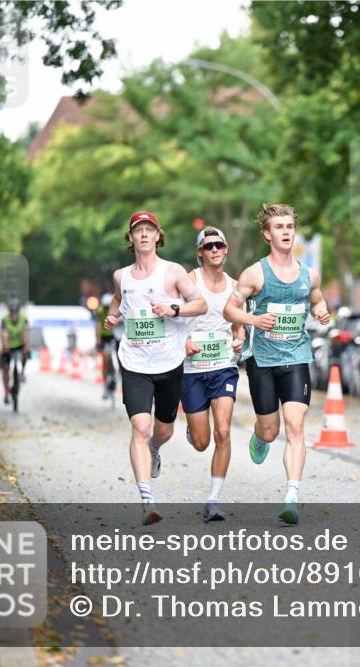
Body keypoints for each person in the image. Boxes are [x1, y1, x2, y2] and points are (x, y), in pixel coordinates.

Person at [224, 204, 330, 526]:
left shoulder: (308, 274)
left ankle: (292, 496)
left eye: (290, 226)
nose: (286, 232)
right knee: (271, 431)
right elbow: (230, 310)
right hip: (263, 361)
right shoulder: (255, 274)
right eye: (279, 227)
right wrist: (254, 319)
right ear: (267, 234)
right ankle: (260, 436)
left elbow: (317, 299)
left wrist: (322, 312)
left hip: (297, 356)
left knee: (296, 426)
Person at [103, 211, 207, 526]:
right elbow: (118, 301)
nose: (144, 235)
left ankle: (155, 450)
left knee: (162, 431)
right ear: (131, 238)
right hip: (134, 362)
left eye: (150, 230)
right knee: (140, 427)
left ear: (158, 236)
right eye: (138, 231)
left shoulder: (174, 272)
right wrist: (112, 317)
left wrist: (173, 308)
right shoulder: (121, 276)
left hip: (170, 362)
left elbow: (200, 304)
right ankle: (147, 500)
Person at [181, 227, 244, 522]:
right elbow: (172, 320)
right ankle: (193, 431)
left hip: (224, 367)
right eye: (208, 246)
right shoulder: (189, 282)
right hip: (192, 369)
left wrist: (239, 339)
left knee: (223, 432)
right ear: (200, 253)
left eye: (219, 245)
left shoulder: (235, 287)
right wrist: (185, 343)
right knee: (202, 441)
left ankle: (213, 500)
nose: (214, 250)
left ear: (226, 249)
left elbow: (238, 325)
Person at [0, 300, 29, 404]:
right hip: (8, 345)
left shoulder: (23, 319)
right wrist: (6, 345)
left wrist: (25, 345)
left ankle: (22, 372)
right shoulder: (5, 320)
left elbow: (26, 332)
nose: (14, 314)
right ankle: (6, 392)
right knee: (6, 369)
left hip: (20, 344)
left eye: (16, 312)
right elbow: (4, 333)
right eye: (12, 312)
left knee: (26, 352)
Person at [95, 293, 120, 399]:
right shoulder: (100, 310)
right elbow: (98, 326)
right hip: (104, 338)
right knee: (105, 359)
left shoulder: (117, 308)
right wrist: (98, 340)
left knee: (120, 360)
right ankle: (105, 385)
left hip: (115, 336)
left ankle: (118, 377)